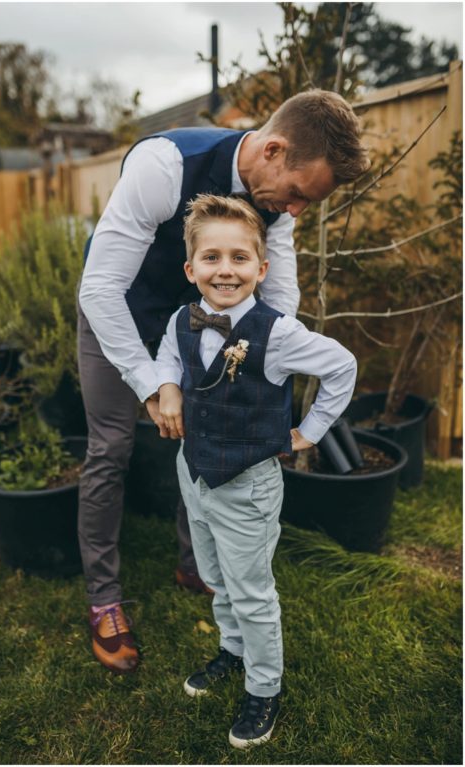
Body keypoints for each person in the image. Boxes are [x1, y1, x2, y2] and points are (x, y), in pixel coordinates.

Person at [77, 90, 369, 675]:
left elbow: (280, 297)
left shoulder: (275, 207)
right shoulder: (162, 166)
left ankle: (197, 565)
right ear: (275, 150)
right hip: (119, 316)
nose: (297, 210)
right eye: (299, 194)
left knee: (201, 433)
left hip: (203, 324)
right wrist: (152, 384)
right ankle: (104, 600)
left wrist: (269, 362)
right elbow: (100, 289)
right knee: (112, 447)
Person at [155, 194, 357, 748]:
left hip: (247, 484)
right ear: (191, 268)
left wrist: (309, 432)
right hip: (193, 471)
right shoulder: (182, 318)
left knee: (251, 590)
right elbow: (169, 356)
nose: (226, 269)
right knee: (214, 574)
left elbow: (342, 367)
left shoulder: (279, 332)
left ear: (261, 268)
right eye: (212, 258)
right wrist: (167, 385)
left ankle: (264, 687)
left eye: (240, 258)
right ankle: (233, 649)